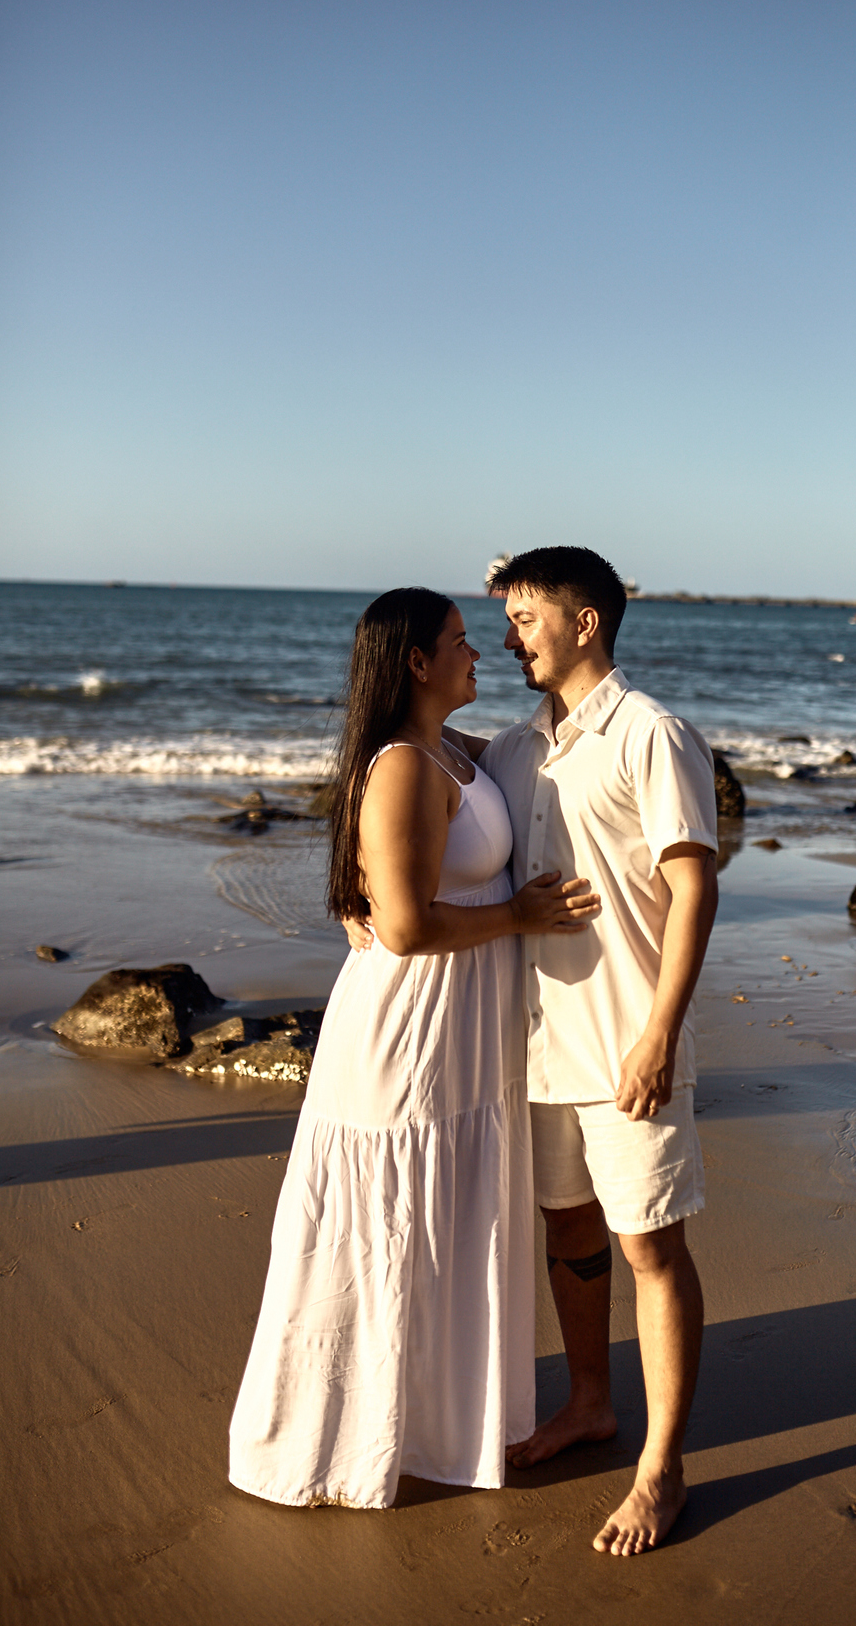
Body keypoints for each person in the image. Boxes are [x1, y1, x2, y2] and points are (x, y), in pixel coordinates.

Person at [228, 587, 600, 1509]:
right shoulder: (401, 764)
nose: (482, 653)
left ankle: (435, 1425)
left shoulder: (450, 748)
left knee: (443, 1225)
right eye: (461, 641)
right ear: (417, 663)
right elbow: (400, 926)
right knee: (388, 1228)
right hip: (409, 1030)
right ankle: (343, 1441)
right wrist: (518, 916)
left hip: (461, 1030)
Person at [455, 546, 719, 1557]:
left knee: (650, 1246)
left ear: (585, 622)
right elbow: (417, 767)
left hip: (627, 1045)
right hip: (537, 1051)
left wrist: (660, 1033)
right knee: (568, 1231)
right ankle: (589, 1404)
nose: (508, 638)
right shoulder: (513, 750)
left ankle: (663, 1468)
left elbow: (694, 887)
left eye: (525, 618)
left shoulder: (652, 734)